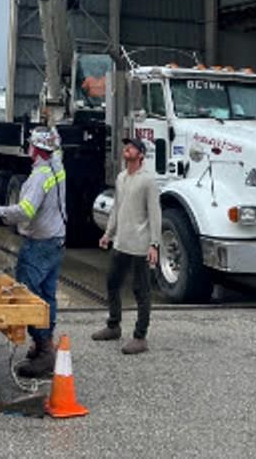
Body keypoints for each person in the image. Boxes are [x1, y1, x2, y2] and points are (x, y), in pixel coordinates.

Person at [0, 126, 66, 377]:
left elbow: (25, 211)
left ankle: (44, 350)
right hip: (56, 240)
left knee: (29, 297)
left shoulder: (38, 177)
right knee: (47, 296)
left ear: (34, 149)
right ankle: (45, 344)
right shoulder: (57, 166)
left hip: (38, 244)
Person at [93, 135, 160, 354]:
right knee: (112, 282)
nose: (126, 150)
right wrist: (108, 233)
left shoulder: (148, 181)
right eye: (126, 148)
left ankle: (140, 337)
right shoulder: (121, 178)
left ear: (141, 155)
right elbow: (117, 208)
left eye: (131, 148)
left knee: (141, 290)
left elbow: (155, 214)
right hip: (121, 242)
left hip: (140, 244)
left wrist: (154, 244)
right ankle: (113, 325)